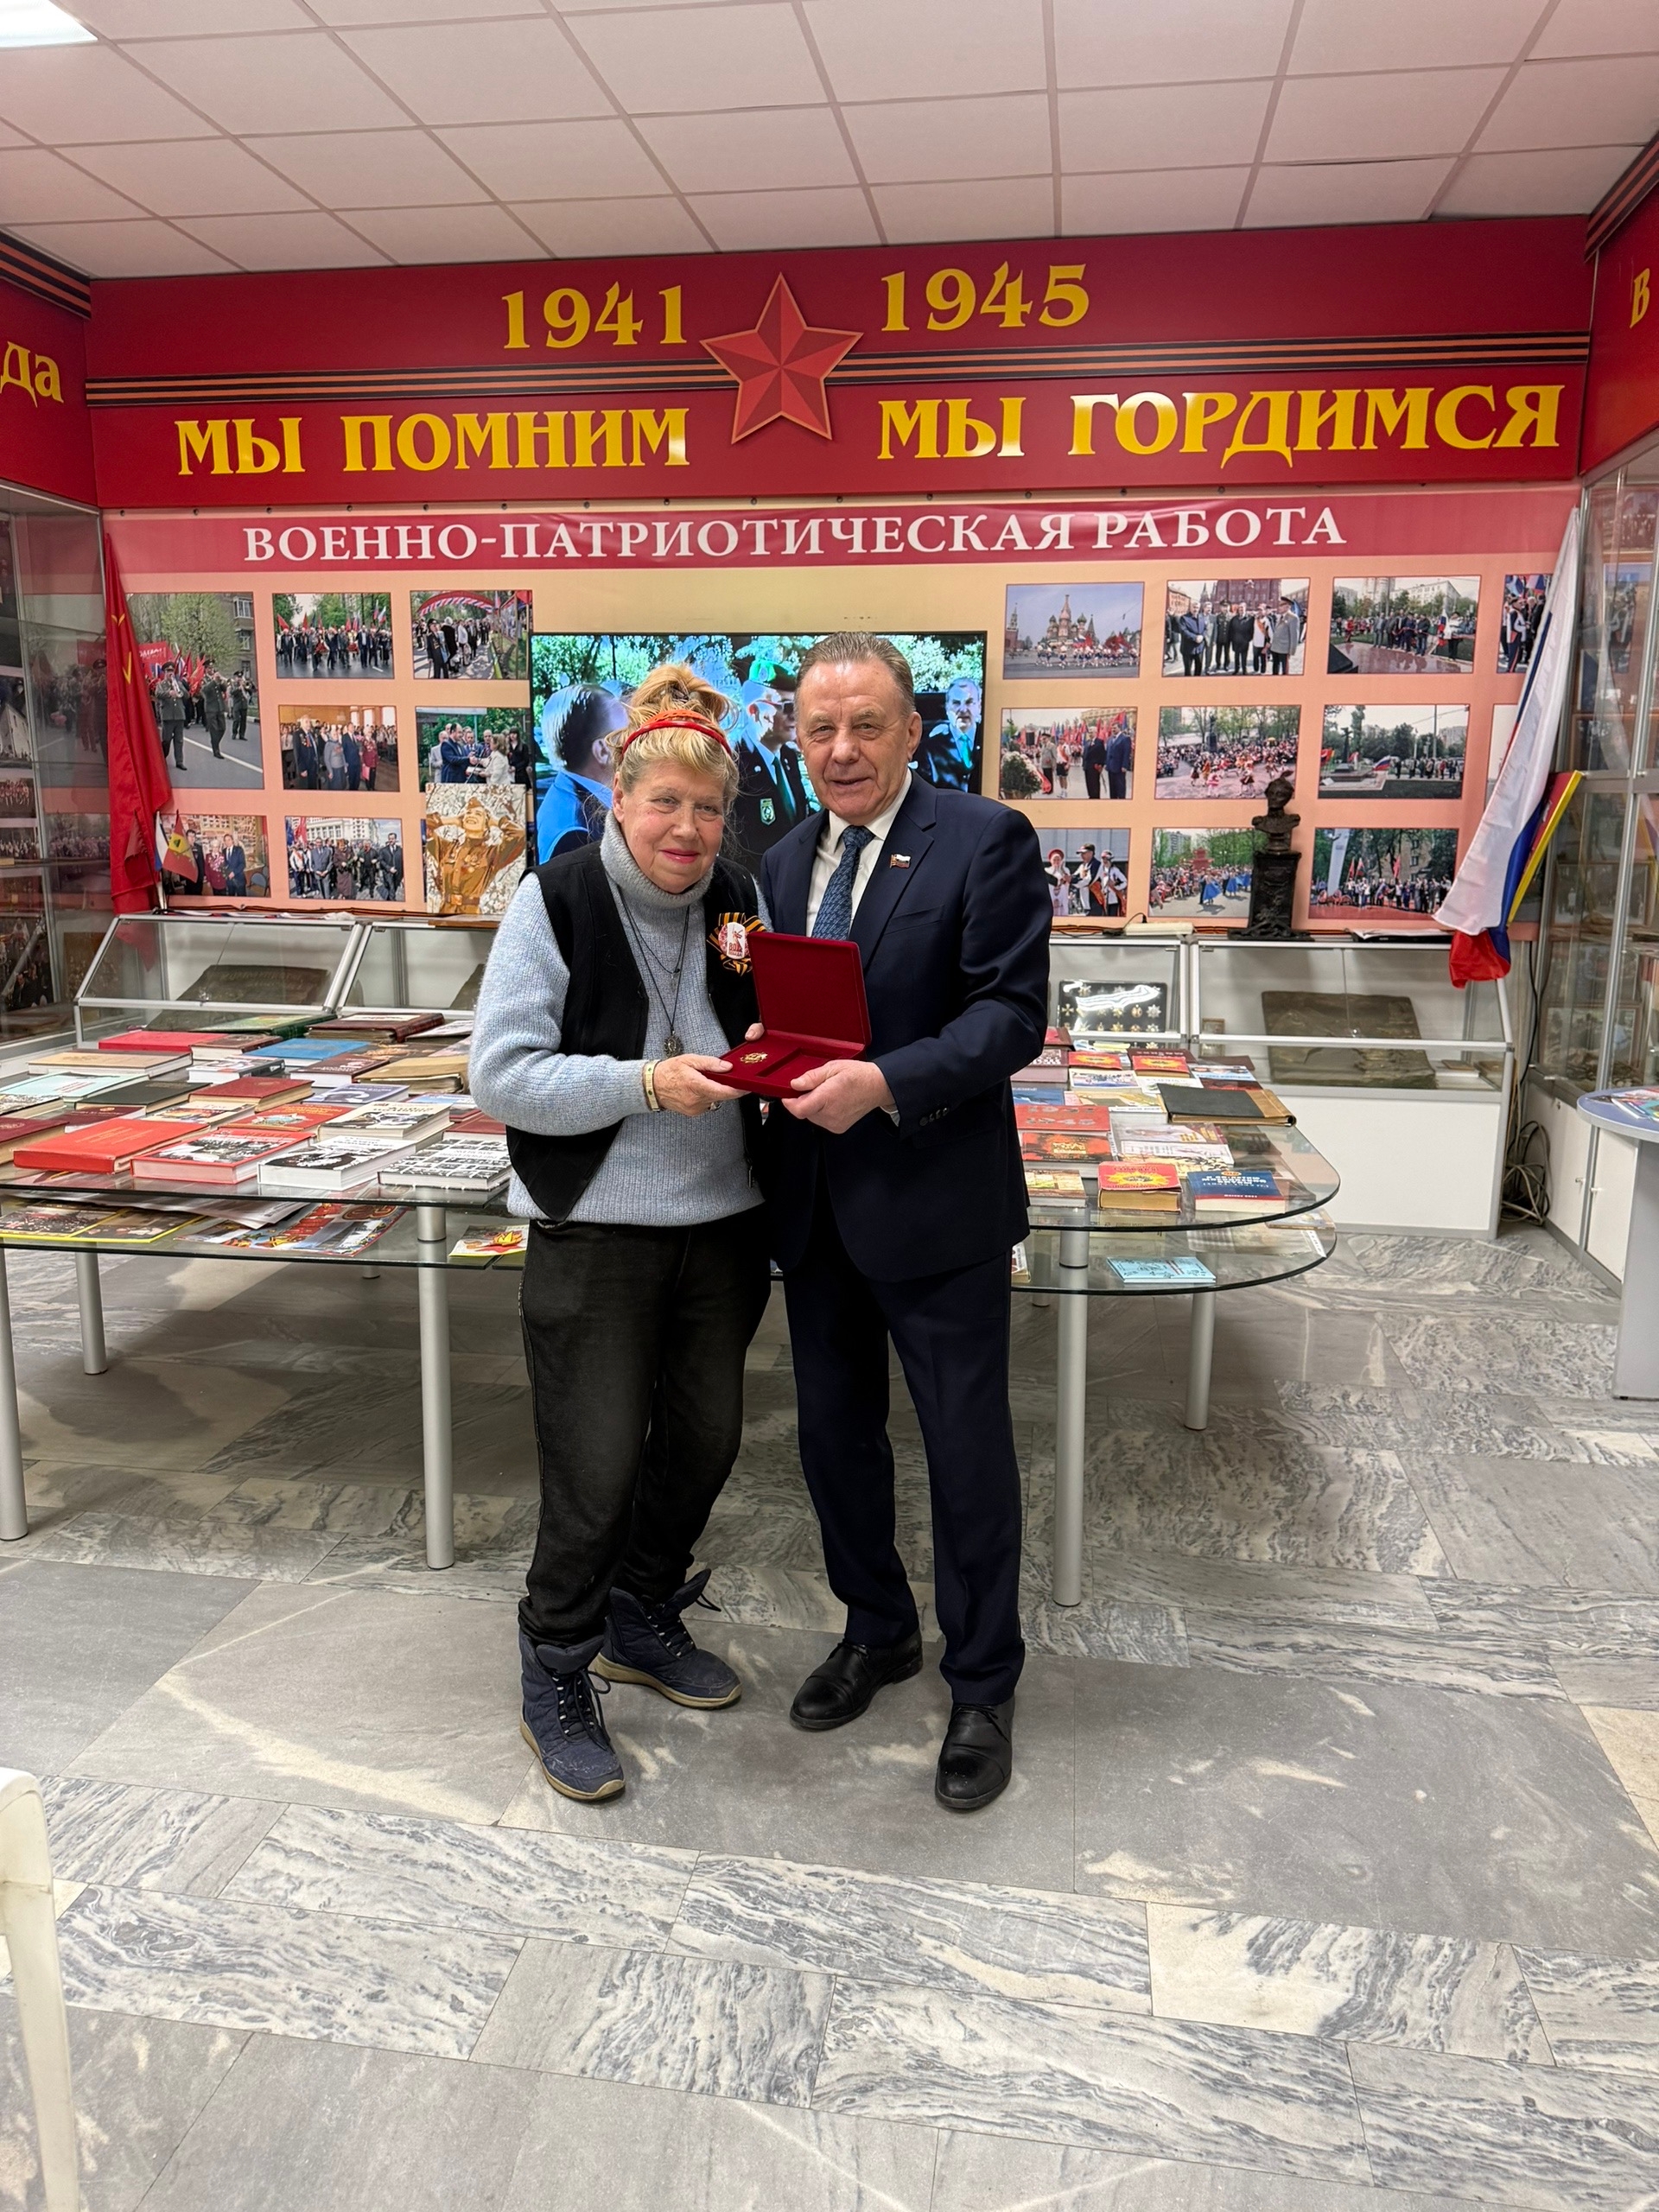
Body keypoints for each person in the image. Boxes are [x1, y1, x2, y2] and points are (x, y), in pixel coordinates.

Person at [755, 633, 1050, 1813]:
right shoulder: (783, 860)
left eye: (865, 725)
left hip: (938, 1206)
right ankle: (876, 1628)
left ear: (912, 731)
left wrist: (885, 1082)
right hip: (815, 1206)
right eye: (820, 729)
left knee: (965, 1452)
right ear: (796, 739)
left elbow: (1010, 1016)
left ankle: (983, 1683)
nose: (842, 749)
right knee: (835, 1441)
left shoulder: (985, 839)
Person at [471, 664, 772, 1804]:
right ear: (618, 797)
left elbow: (767, 1021)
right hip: (597, 1233)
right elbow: (502, 1075)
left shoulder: (737, 900)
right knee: (593, 1469)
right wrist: (645, 1083)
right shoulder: (555, 901)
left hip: (725, 1228)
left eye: (708, 808)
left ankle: (639, 1615)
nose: (687, 829)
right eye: (665, 803)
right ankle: (555, 1663)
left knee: (705, 1444)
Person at [537, 684, 626, 861]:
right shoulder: (576, 832)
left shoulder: (565, 793)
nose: (634, 743)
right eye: (625, 734)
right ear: (602, 751)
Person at [154, 664, 186, 771]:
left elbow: (186, 695)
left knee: (179, 740)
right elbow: (158, 694)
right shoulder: (161, 685)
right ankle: (162, 759)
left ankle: (179, 761)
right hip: (167, 716)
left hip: (179, 715)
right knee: (166, 740)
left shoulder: (179, 684)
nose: (171, 673)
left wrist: (179, 686)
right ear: (165, 673)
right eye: (168, 671)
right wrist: (169, 693)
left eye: (172, 671)